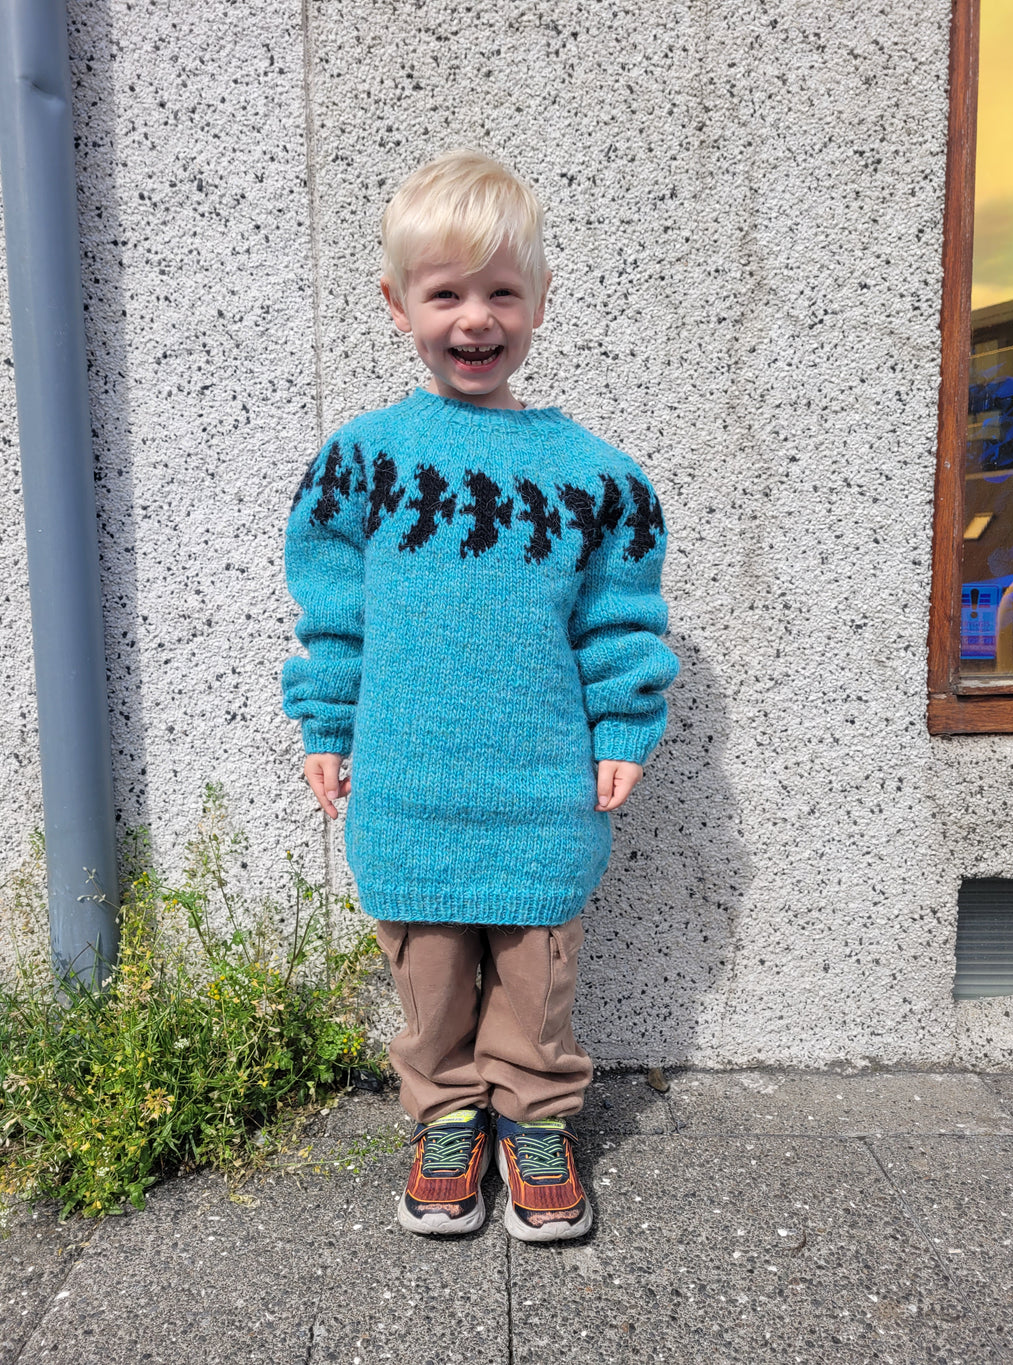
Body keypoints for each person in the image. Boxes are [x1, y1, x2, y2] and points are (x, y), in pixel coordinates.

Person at [282, 149, 678, 1242]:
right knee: (430, 979)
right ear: (397, 302)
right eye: (445, 291)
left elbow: (617, 620)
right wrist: (326, 722)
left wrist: (624, 723)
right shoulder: (359, 463)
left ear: (540, 303)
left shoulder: (597, 479)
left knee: (535, 980)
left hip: (542, 782)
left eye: (502, 292)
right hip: (407, 781)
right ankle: (446, 1115)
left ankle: (534, 1118)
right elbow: (333, 616)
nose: (474, 318)